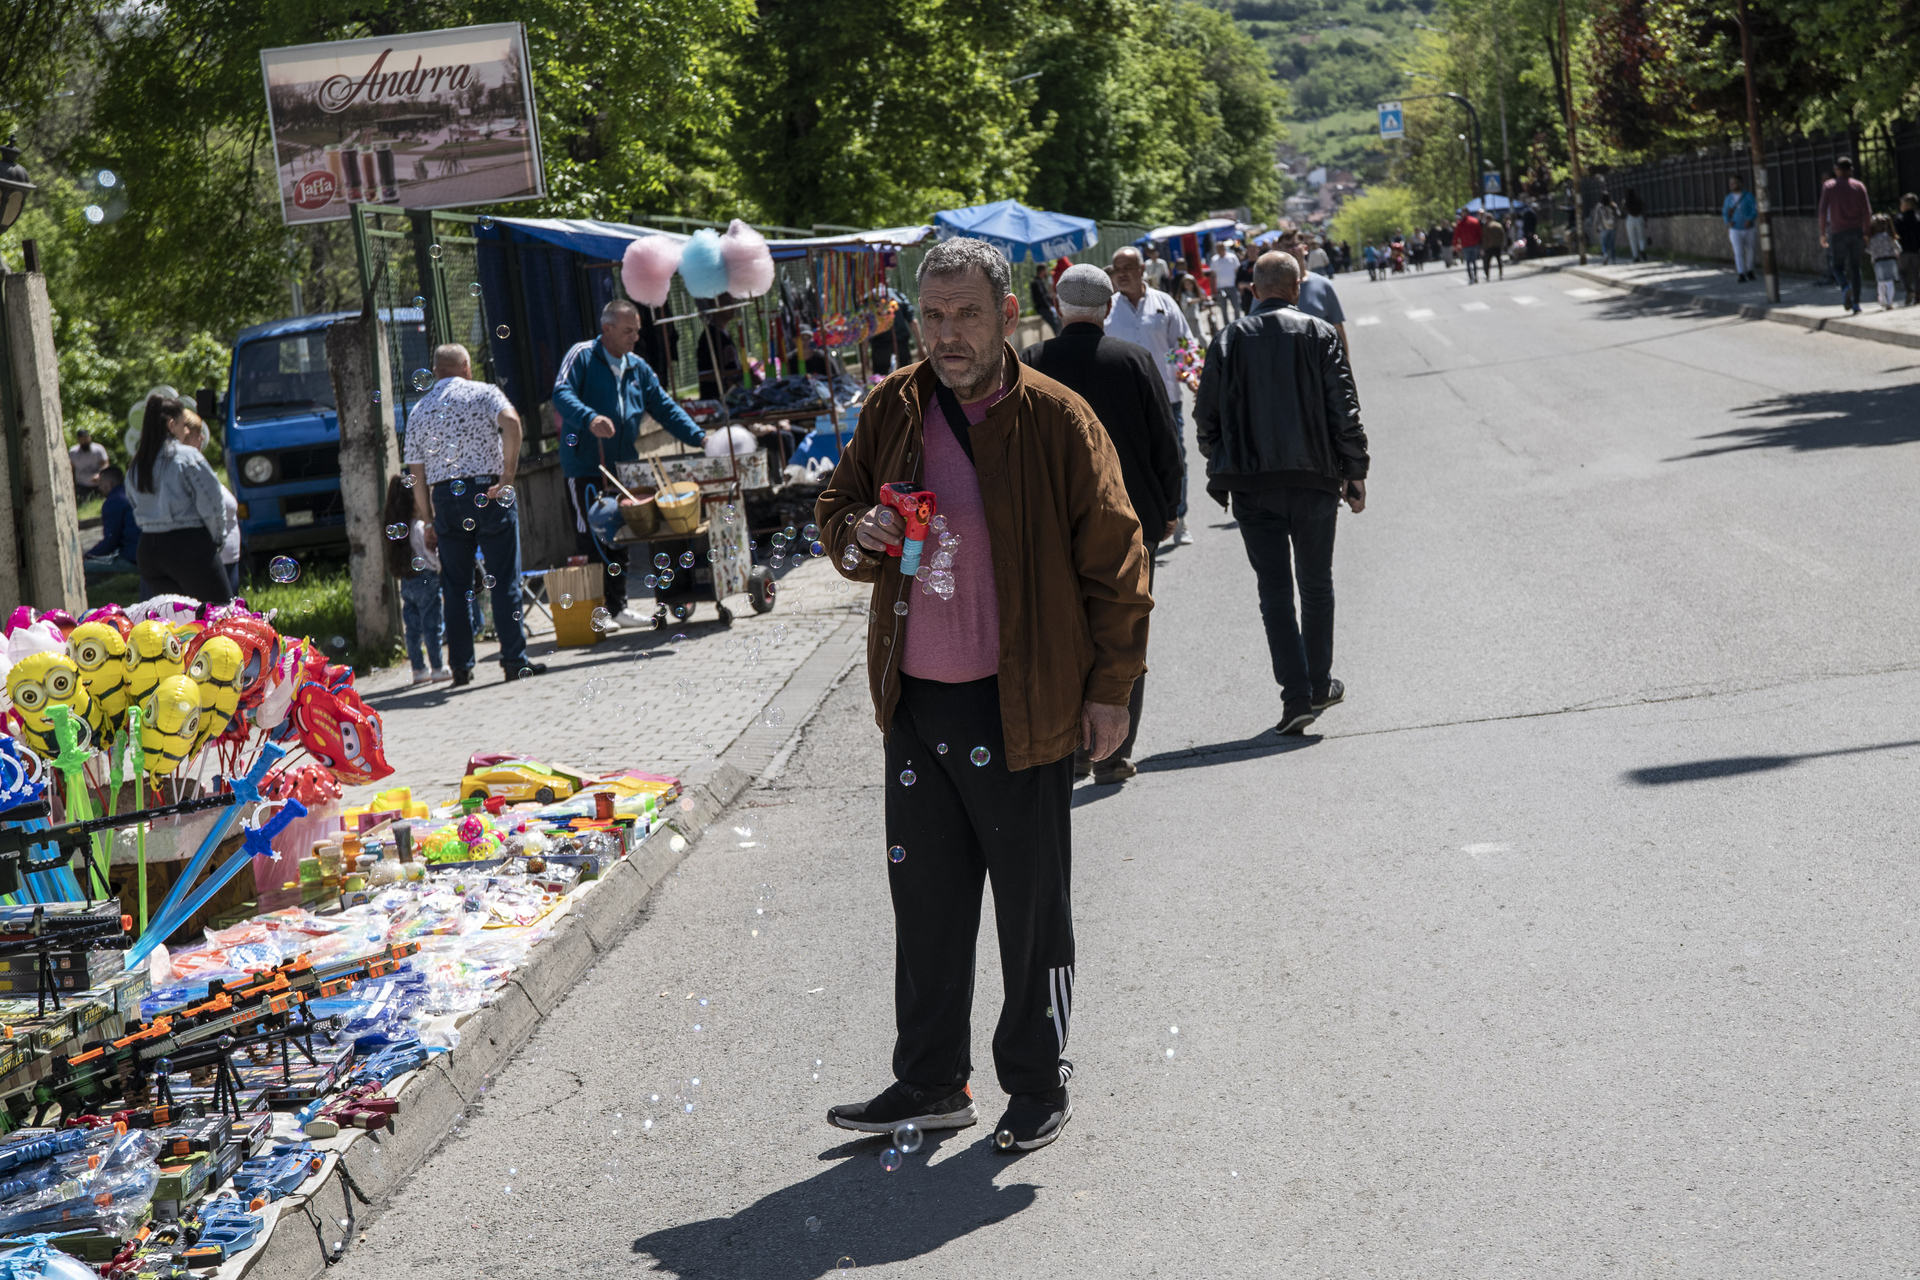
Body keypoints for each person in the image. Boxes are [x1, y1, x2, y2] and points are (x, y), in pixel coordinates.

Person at [816, 237, 1152, 1154]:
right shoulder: (894, 406)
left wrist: (1112, 690)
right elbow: (835, 514)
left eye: (966, 313)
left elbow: (1120, 563)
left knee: (1031, 911)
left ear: (1009, 315)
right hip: (919, 703)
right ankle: (931, 1082)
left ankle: (1038, 1082)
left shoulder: (1057, 418)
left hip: (1026, 702)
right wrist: (866, 532)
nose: (947, 333)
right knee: (925, 907)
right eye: (932, 315)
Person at [1019, 263, 1183, 784]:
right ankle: (1113, 753)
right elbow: (1166, 442)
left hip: (1056, 525)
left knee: (1065, 633)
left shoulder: (1033, 364)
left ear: (1057, 304)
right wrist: (1171, 507)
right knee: (1124, 630)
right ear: (1109, 307)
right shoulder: (1133, 359)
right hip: (1132, 523)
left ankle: (1071, 752)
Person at [1195, 251, 1368, 737]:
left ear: (1253, 290)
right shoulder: (1320, 334)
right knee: (1316, 585)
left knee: (1273, 593)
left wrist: (1222, 460)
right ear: (1296, 288)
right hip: (1315, 480)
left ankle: (1295, 697)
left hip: (1252, 487)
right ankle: (1317, 685)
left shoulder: (1227, 339)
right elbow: (1344, 408)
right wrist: (1355, 471)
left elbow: (1205, 418)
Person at [554, 299, 708, 629]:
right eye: (627, 331)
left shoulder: (638, 367)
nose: (635, 338)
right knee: (592, 535)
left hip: (624, 467)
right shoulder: (582, 355)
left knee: (622, 534)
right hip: (585, 465)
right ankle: (597, 613)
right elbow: (561, 393)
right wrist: (589, 417)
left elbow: (665, 408)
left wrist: (701, 438)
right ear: (606, 330)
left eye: (637, 331)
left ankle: (618, 606)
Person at [405, 342, 542, 686]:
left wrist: (428, 518)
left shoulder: (419, 409)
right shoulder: (485, 392)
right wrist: (507, 478)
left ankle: (462, 668)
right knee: (504, 580)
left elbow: (416, 473)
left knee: (455, 586)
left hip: (447, 499)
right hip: (489, 492)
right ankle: (514, 660)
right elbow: (511, 421)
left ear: (436, 371)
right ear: (466, 366)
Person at [1105, 245, 1196, 545]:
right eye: (1117, 269)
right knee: (1130, 461)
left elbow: (1184, 344)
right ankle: (1138, 522)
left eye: (1128, 268)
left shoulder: (1164, 303)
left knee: (1174, 458)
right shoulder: (1108, 310)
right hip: (1124, 403)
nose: (1121, 274)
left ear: (1143, 270)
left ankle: (1178, 517)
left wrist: (1191, 376)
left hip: (1167, 397)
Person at [126, 395, 231, 604]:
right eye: (183, 425)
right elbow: (211, 503)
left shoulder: (137, 463)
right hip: (188, 546)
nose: (185, 431)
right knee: (221, 613)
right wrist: (217, 538)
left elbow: (133, 501)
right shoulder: (187, 457)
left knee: (179, 621)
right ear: (171, 424)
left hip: (149, 550)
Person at [384, 474, 451, 684]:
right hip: (426, 581)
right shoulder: (420, 527)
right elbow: (431, 558)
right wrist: (442, 564)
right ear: (414, 501)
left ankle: (418, 671)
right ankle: (438, 668)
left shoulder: (400, 529)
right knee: (432, 626)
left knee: (412, 629)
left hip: (407, 581)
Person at [1283, 232, 1349, 361]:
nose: (1291, 251)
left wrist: (1345, 366)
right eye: (1286, 247)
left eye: (1294, 245)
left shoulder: (1323, 285)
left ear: (1305, 249)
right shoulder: (1267, 291)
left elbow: (1337, 327)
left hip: (1321, 366)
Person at [1818, 157, 1873, 314]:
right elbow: (1867, 212)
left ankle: (1845, 286)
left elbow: (1822, 211)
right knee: (1855, 268)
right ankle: (1856, 303)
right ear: (1851, 170)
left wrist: (1822, 233)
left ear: (1836, 170)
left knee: (1837, 267)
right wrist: (1866, 233)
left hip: (1838, 233)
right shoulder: (1859, 186)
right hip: (1856, 232)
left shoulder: (1829, 186)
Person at [82, 464, 142, 590]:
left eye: (101, 484)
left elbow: (110, 541)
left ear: (109, 484)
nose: (99, 488)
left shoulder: (113, 502)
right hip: (144, 552)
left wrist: (88, 555)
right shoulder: (132, 494)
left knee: (83, 567)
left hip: (133, 558)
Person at [867, 286, 921, 375]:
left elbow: (866, 329)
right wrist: (920, 348)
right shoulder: (897, 295)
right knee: (905, 378)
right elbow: (913, 322)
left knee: (882, 382)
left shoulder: (868, 298)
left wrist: (865, 358)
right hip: (899, 347)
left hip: (880, 350)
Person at [1723, 176, 1759, 283]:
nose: (1733, 185)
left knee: (1750, 250)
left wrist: (1750, 218)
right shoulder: (1729, 198)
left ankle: (1750, 270)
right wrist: (1728, 221)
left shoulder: (1748, 196)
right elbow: (1725, 212)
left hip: (1749, 228)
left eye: (1735, 182)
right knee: (1738, 251)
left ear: (1741, 183)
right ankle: (1741, 273)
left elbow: (1755, 209)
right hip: (1735, 228)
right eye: (1731, 183)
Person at [1868, 213, 1900, 310]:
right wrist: (1896, 254)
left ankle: (1882, 299)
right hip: (1890, 260)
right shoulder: (1889, 236)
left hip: (1879, 261)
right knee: (1890, 282)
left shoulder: (1873, 239)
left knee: (1881, 282)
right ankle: (1890, 302)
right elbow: (1898, 248)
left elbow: (1870, 250)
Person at [68, 430, 109, 501]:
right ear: (79, 440)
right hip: (82, 484)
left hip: (98, 484)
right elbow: (70, 468)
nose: (85, 441)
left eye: (87, 438)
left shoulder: (98, 449)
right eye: (83, 439)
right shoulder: (73, 452)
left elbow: (105, 464)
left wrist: (100, 475)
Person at [1208, 242, 1241, 329]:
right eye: (1218, 248)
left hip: (1232, 286)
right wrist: (1213, 290)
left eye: (1221, 248)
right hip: (1221, 288)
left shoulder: (1232, 257)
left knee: (1236, 307)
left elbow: (1238, 271)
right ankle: (1227, 327)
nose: (1220, 250)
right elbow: (1212, 275)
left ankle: (1238, 324)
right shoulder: (1214, 260)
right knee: (1223, 310)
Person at [1897, 193, 1920, 307]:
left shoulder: (1900, 219)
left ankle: (1908, 290)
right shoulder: (1918, 218)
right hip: (1916, 250)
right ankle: (1917, 295)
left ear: (1906, 205)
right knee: (1916, 274)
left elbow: (1897, 235)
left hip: (1904, 250)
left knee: (1902, 271)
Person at [1453, 209, 1484, 283]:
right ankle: (1473, 277)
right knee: (1471, 262)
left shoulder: (1464, 223)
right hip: (1469, 245)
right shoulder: (1474, 221)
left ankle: (1473, 277)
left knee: (1470, 262)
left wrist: (1455, 244)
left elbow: (1457, 235)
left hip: (1469, 245)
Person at [1029, 270, 1061, 337]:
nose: (1047, 272)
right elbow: (1042, 297)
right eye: (1045, 270)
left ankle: (1059, 336)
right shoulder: (1037, 283)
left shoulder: (1040, 281)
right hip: (1043, 308)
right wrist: (1049, 306)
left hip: (1046, 307)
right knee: (1055, 322)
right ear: (1042, 271)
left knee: (1058, 319)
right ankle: (1058, 336)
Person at [1593, 193, 1620, 265]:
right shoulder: (1613, 205)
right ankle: (1613, 259)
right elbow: (1618, 215)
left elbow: (1597, 218)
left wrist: (1596, 227)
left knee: (1604, 243)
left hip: (1603, 227)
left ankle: (1605, 254)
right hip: (1613, 227)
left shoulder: (1599, 207)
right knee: (1612, 244)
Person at [1623, 187, 1649, 262]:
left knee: (1632, 239)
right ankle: (1642, 249)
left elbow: (1623, 211)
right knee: (1641, 236)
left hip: (1630, 218)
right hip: (1639, 218)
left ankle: (1636, 256)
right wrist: (1645, 219)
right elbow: (1643, 209)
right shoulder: (1638, 200)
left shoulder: (1626, 201)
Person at [1482, 216, 1507, 280]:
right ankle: (1501, 274)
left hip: (1489, 246)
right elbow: (1502, 235)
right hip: (1497, 246)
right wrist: (1502, 243)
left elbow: (1485, 237)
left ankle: (1487, 275)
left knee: (1487, 262)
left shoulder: (1487, 226)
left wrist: (1484, 247)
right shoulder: (1498, 225)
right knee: (1499, 261)